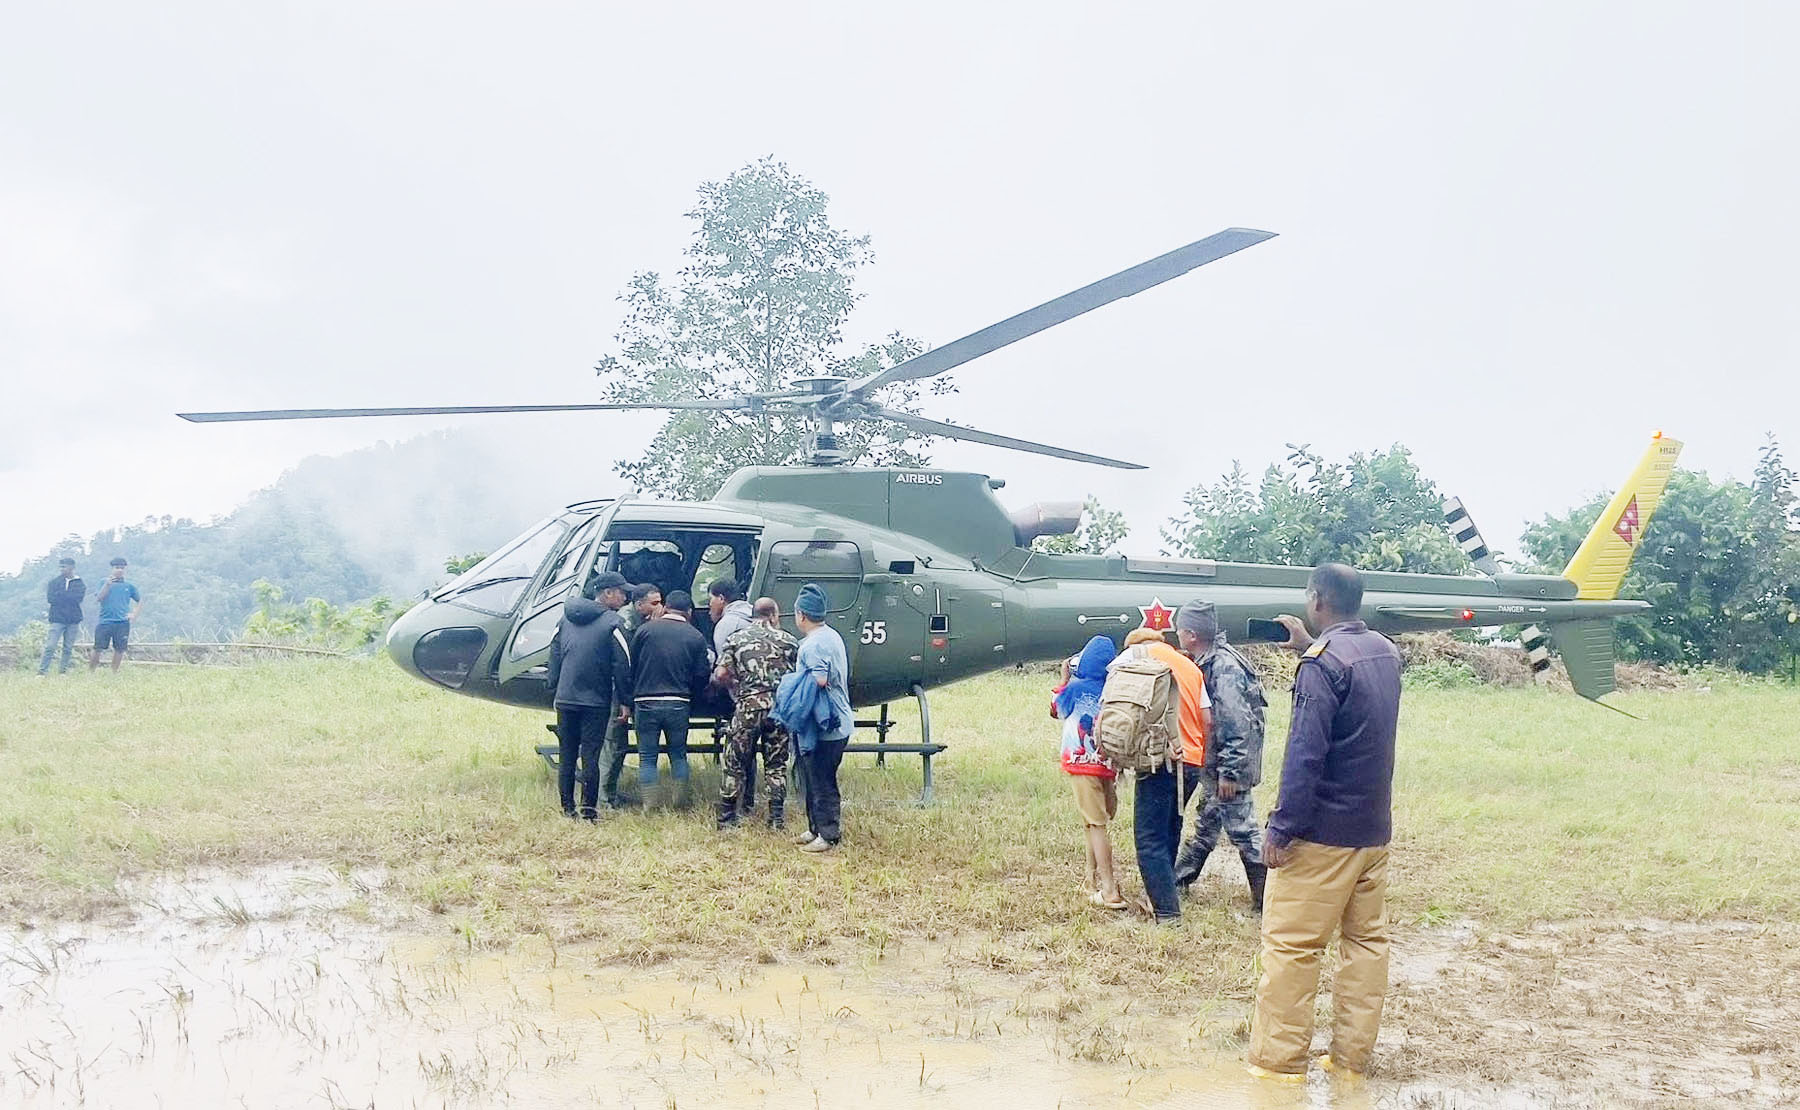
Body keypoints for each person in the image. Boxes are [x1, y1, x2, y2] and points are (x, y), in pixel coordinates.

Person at [1247, 563, 1402, 1083]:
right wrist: (1310, 647)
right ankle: (1350, 1061)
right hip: (1372, 832)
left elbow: (1305, 754)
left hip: (1320, 837)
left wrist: (1281, 828)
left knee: (1292, 949)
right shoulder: (1384, 651)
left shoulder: (1322, 665)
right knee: (1366, 945)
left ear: (1316, 600)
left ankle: (1278, 1066)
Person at [1173, 601, 1270, 913]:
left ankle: (1266, 901)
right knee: (1208, 822)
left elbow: (1235, 723)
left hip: (1229, 767)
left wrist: (1230, 772)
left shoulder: (1223, 667)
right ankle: (1178, 882)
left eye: (1179, 630)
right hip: (1219, 765)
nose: (1176, 634)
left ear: (1191, 635)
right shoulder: (1210, 661)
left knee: (1244, 832)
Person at [1111, 625, 1210, 923]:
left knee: (1149, 839)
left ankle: (1167, 914)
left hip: (1161, 759)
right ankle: (1160, 897)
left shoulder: (1134, 655)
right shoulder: (1189, 666)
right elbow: (1207, 719)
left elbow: (1115, 703)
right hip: (1192, 761)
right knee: (1169, 830)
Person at [545, 572, 633, 820]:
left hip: (565, 697)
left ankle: (567, 808)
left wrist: (553, 685)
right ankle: (589, 810)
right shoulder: (613, 622)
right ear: (607, 593)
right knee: (591, 755)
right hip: (595, 700)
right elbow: (622, 664)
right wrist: (625, 700)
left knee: (567, 754)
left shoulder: (565, 618)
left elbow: (554, 652)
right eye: (622, 592)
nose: (625, 597)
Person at [776, 583, 852, 853]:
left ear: (801, 615)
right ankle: (814, 828)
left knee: (822, 780)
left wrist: (789, 688)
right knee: (812, 778)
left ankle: (828, 835)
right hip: (837, 719)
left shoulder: (812, 645)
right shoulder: (832, 635)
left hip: (825, 725)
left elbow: (819, 679)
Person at [1053, 635, 1125, 909]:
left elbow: (1056, 710)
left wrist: (1064, 679)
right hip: (1107, 765)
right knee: (1092, 822)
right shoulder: (1114, 689)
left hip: (1082, 764)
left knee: (1096, 825)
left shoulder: (1075, 688)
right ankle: (1089, 880)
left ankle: (1109, 889)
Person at [714, 597, 799, 830]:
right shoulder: (788, 641)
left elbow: (720, 674)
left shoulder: (736, 639)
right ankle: (776, 819)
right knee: (776, 764)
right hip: (778, 710)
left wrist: (736, 686)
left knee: (734, 762)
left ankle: (727, 818)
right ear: (773, 615)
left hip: (747, 707)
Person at [629, 588, 712, 807]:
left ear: (665, 608)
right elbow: (702, 674)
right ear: (689, 612)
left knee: (647, 757)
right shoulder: (696, 636)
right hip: (679, 701)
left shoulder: (644, 631)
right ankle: (679, 801)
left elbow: (632, 665)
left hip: (645, 700)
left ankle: (650, 804)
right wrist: (693, 694)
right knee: (678, 754)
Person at [89, 557, 141, 672]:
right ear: (112, 569)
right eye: (117, 568)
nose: (119, 570)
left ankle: (114, 672)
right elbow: (99, 598)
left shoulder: (129, 586)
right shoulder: (103, 582)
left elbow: (139, 600)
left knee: (120, 649)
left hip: (122, 622)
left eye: (122, 568)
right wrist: (107, 585)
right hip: (105, 621)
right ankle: (91, 671)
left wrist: (134, 614)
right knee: (98, 647)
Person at [38, 558, 85, 676]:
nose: (62, 569)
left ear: (72, 567)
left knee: (68, 647)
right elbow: (51, 599)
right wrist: (67, 596)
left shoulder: (79, 583)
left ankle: (62, 672)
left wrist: (61, 595)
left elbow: (78, 599)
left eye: (64, 566)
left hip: (73, 619)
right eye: (61, 567)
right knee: (50, 646)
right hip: (57, 618)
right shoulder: (54, 582)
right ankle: (42, 672)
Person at [708, 580, 755, 658]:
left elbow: (724, 662)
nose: (710, 604)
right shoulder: (756, 613)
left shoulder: (726, 625)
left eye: (710, 598)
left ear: (721, 598)